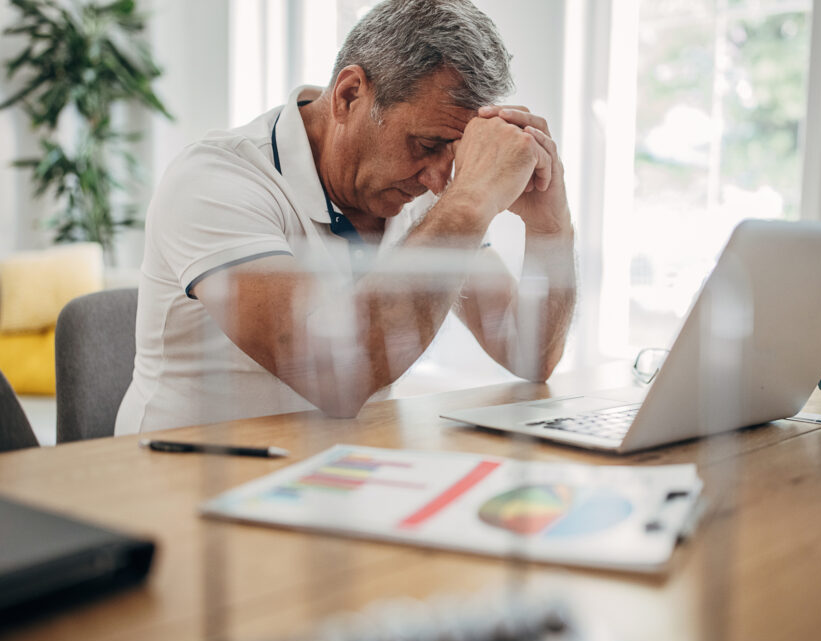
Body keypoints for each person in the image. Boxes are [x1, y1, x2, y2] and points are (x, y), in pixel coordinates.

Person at [115, 0, 576, 434]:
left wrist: (549, 227)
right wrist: (472, 197)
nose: (440, 180)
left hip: (333, 471)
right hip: (179, 482)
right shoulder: (213, 181)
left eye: (455, 155)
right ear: (349, 94)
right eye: (427, 145)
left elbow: (528, 352)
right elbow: (334, 376)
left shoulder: (422, 191)